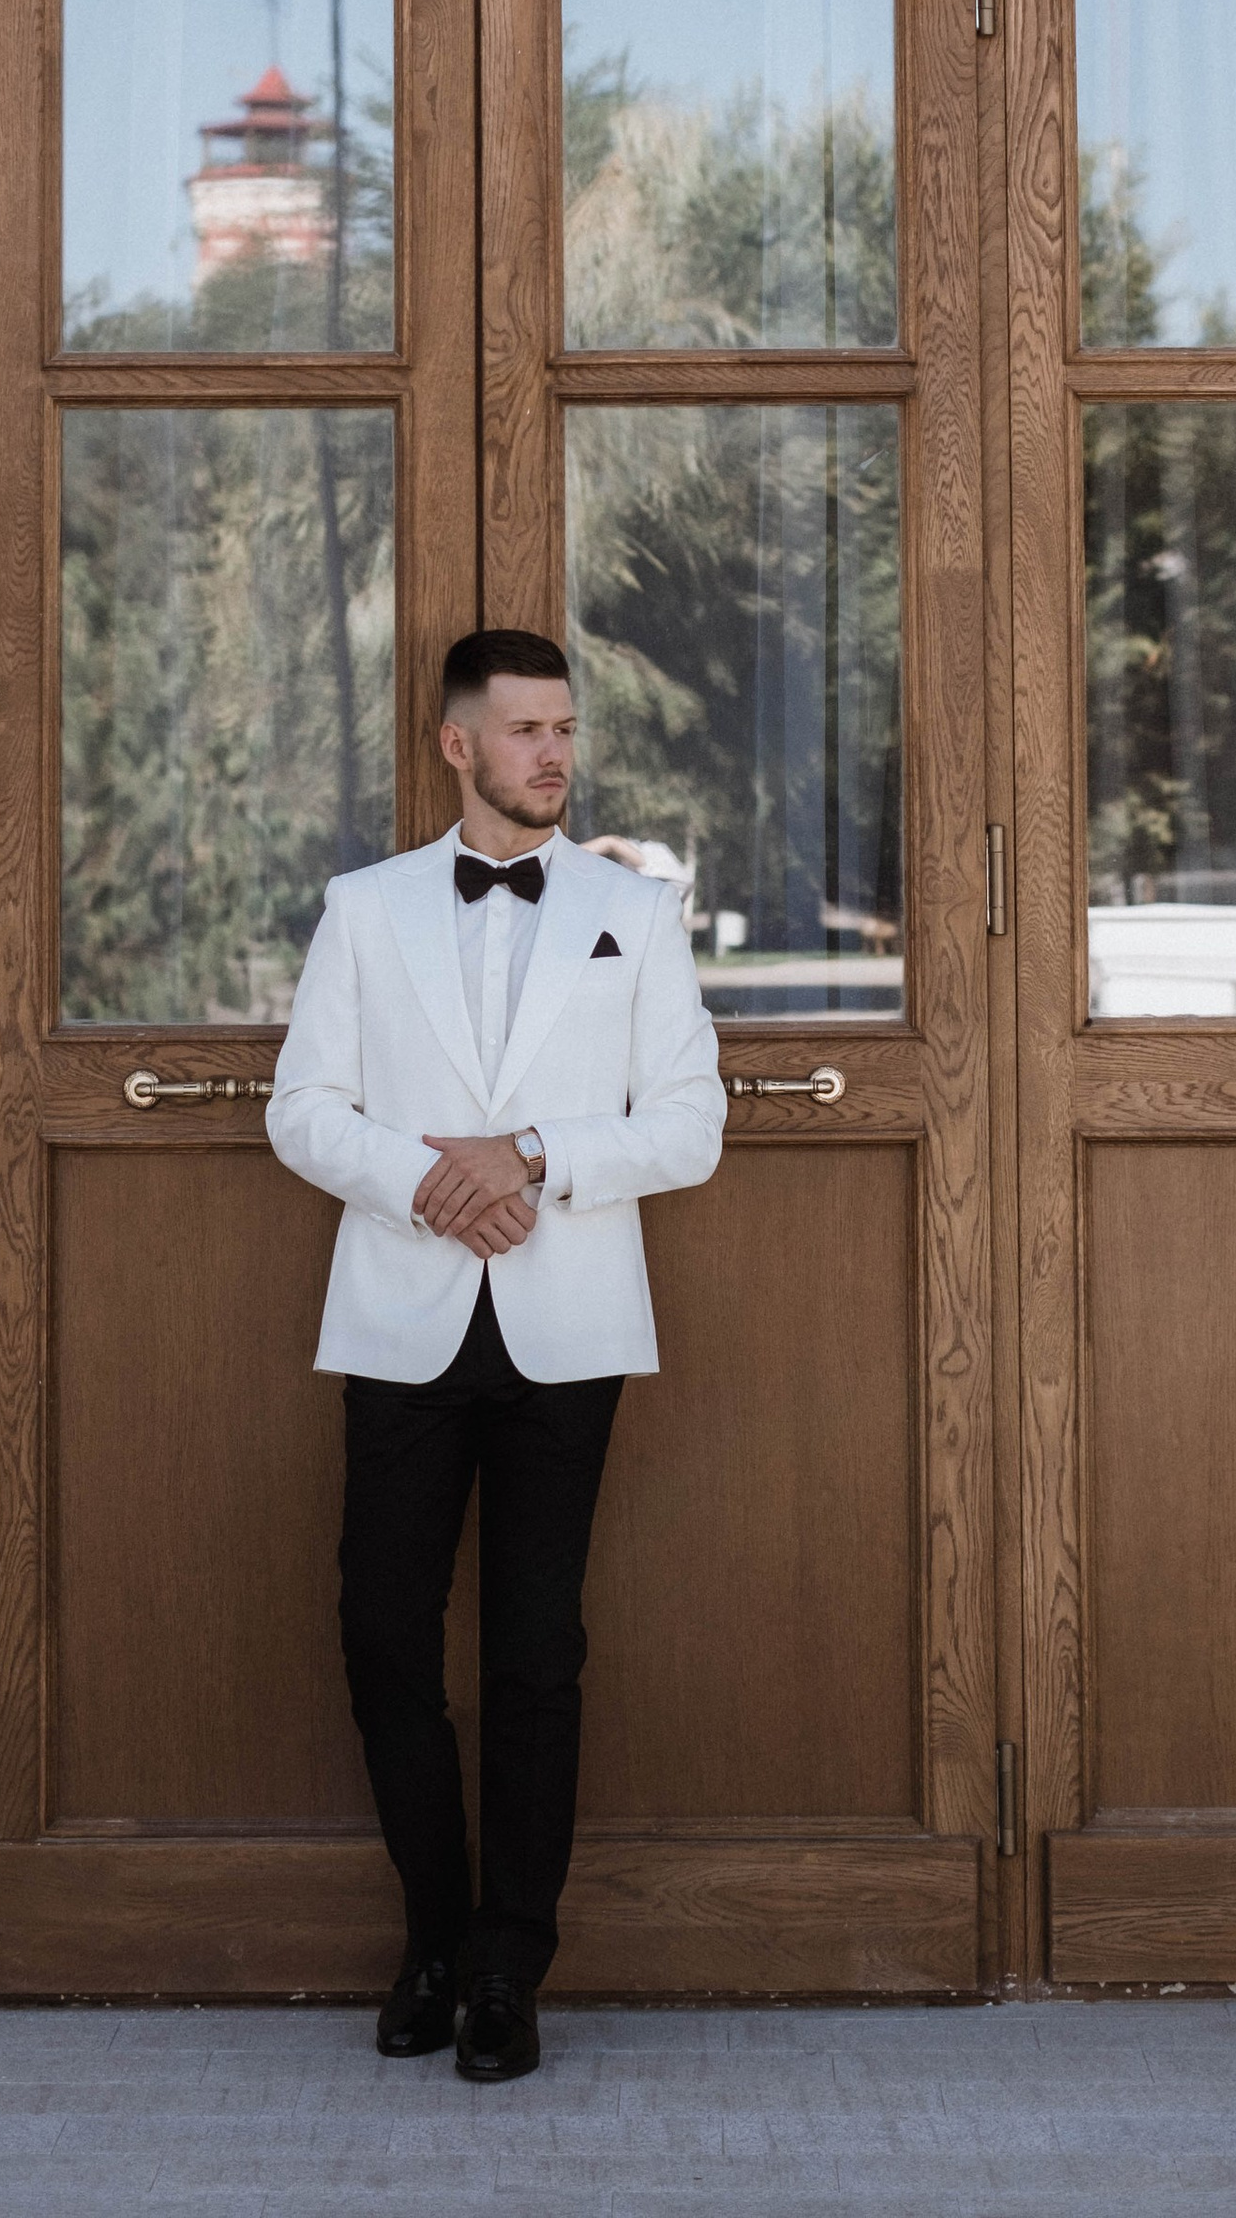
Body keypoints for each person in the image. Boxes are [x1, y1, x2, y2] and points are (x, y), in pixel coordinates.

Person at [266, 628, 726, 2083]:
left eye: (564, 729)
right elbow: (302, 1110)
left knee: (539, 1654)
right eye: (522, 730)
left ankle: (511, 1964)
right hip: (403, 1321)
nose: (552, 754)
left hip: (565, 1326)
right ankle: (432, 1940)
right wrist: (430, 1181)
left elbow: (690, 1126)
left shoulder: (631, 915)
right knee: (382, 1634)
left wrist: (529, 1154)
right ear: (457, 745)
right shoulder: (365, 907)